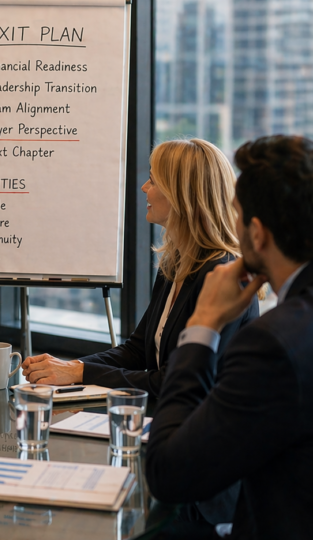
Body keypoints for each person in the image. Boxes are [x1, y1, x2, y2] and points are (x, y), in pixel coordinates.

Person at [146, 135, 313, 539]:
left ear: (257, 234)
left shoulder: (273, 343)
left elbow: (170, 474)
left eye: (237, 214)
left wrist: (204, 325)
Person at [21, 139, 259, 397]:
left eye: (153, 181)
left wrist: (79, 373)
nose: (145, 187)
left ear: (181, 194)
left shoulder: (223, 275)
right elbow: (137, 351)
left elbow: (173, 380)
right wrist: (70, 366)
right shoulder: (176, 262)